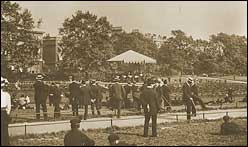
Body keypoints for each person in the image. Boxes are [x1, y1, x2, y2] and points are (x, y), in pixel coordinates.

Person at [1, 77, 11, 146]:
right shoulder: (6, 95)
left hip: (3, 113)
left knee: (4, 131)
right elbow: (9, 106)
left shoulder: (6, 95)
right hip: (4, 113)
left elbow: (9, 106)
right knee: (4, 131)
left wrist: (7, 113)